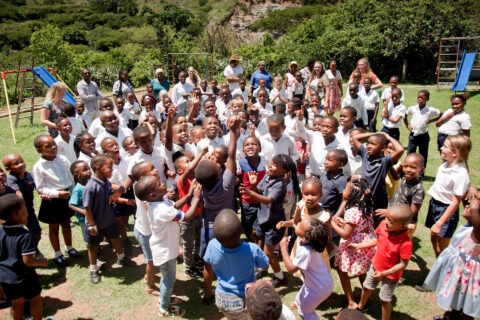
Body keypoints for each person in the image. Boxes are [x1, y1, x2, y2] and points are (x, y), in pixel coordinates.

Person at [135, 175, 202, 317]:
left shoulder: (160, 201)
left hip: (165, 247)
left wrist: (189, 194)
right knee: (168, 280)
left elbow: (175, 205)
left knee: (168, 278)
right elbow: (187, 216)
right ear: (152, 194)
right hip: (165, 252)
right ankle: (164, 308)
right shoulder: (161, 210)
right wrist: (195, 198)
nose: (163, 183)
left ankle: (163, 299)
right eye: (159, 184)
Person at [194, 115, 241, 304]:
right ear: (220, 171)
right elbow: (231, 156)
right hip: (228, 226)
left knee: (208, 264)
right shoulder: (228, 184)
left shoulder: (201, 187)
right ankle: (232, 290)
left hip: (209, 230)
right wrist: (232, 132)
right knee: (231, 260)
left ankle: (207, 293)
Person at [420, 192, 480, 320]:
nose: (469, 205)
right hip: (458, 268)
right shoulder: (471, 225)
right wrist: (473, 192)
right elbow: (465, 197)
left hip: (467, 273)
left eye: (474, 206)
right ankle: (452, 317)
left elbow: (476, 220)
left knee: (466, 303)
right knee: (455, 297)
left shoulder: (478, 231)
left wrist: (474, 208)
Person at [239, 154, 295, 287]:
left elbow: (269, 199)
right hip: (262, 218)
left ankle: (279, 276)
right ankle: (262, 268)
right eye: (271, 161)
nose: (270, 165)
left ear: (283, 172)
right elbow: (260, 191)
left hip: (273, 222)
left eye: (274, 164)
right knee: (259, 241)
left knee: (269, 251)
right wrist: (253, 186)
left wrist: (250, 193)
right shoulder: (267, 176)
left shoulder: (280, 184)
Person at [204, 209, 269, 320]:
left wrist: (208, 292)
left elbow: (207, 268)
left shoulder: (211, 245)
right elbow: (265, 265)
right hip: (243, 301)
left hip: (221, 299)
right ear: (241, 231)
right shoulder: (251, 249)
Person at [83, 155, 135, 284]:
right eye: (110, 167)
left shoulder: (106, 182)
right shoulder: (90, 187)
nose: (112, 170)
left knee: (116, 240)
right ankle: (93, 269)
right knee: (93, 247)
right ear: (98, 168)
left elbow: (111, 198)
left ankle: (121, 257)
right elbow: (87, 208)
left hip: (109, 220)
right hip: (96, 224)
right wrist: (91, 225)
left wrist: (124, 200)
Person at [357, 205, 413, 320]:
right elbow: (378, 240)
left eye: (390, 221)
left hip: (391, 276)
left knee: (384, 299)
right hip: (375, 267)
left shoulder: (406, 243)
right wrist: (359, 246)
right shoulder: (383, 226)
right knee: (366, 287)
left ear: (402, 226)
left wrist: (384, 274)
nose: (386, 222)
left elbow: (403, 264)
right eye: (386, 218)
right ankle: (361, 307)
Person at [32, 134, 78, 267]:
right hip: (52, 200)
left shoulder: (63, 159)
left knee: (66, 223)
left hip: (66, 196)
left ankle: (69, 247)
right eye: (48, 146)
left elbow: (70, 176)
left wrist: (72, 191)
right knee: (54, 228)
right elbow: (40, 188)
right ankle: (58, 253)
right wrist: (57, 194)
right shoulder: (39, 166)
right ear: (39, 150)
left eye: (54, 144)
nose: (53, 147)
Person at [0, 194, 48, 320]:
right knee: (35, 299)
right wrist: (41, 262)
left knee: (16, 303)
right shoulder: (24, 235)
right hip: (24, 276)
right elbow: (28, 260)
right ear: (18, 213)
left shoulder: (0, 230)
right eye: (25, 207)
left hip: (6, 277)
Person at [332, 179, 377, 309]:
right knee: (361, 272)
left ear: (351, 194)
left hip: (353, 247)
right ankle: (366, 297)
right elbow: (359, 225)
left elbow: (346, 234)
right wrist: (345, 223)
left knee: (341, 271)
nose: (343, 191)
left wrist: (332, 223)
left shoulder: (351, 211)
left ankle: (351, 302)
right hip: (364, 246)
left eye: (345, 189)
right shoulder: (365, 207)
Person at [426, 135, 471, 257]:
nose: (441, 148)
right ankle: (438, 265)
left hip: (446, 210)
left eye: (445, 147)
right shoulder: (446, 164)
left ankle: (443, 270)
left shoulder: (460, 173)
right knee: (433, 237)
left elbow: (455, 202)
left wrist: (440, 223)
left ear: (455, 153)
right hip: (435, 204)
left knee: (443, 247)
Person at [279, 219, 333, 320]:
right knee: (303, 292)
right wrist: (285, 223)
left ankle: (306, 310)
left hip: (319, 289)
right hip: (320, 282)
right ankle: (298, 302)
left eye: (300, 225)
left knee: (304, 311)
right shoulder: (310, 241)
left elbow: (291, 269)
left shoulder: (306, 252)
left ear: (305, 238)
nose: (298, 223)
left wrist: (283, 249)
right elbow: (295, 223)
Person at [277, 176, 331, 270]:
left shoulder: (323, 215)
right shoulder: (301, 205)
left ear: (320, 195)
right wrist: (285, 223)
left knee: (312, 272)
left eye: (313, 194)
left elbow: (328, 237)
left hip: (315, 251)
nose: (309, 198)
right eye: (306, 194)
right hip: (300, 243)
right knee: (302, 270)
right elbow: (297, 222)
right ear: (302, 194)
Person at [174, 147, 208, 278]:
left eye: (191, 160)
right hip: (186, 219)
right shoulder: (182, 180)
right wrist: (201, 153)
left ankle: (196, 260)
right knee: (188, 245)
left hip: (198, 216)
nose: (191, 163)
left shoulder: (196, 178)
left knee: (199, 240)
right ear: (180, 170)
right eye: (187, 161)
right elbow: (189, 169)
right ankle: (189, 267)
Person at [352, 132, 403, 213]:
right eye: (368, 143)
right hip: (362, 198)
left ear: (383, 148)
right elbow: (355, 138)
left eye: (373, 144)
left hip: (378, 201)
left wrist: (388, 137)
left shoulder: (384, 161)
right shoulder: (365, 155)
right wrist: (375, 133)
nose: (369, 146)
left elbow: (400, 149)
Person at [376, 153, 425, 239]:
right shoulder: (405, 178)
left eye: (413, 167)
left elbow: (412, 212)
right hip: (394, 218)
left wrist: (388, 213)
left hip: (405, 224)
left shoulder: (418, 189)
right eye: (406, 166)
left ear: (421, 170)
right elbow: (396, 176)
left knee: (399, 245)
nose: (408, 170)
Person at [3, 154, 43, 250]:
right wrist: (23, 214)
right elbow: (19, 195)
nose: (21, 164)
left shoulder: (29, 175)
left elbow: (38, 187)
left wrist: (43, 193)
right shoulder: (11, 179)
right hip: (16, 211)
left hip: (29, 207)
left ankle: (31, 250)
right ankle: (23, 252)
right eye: (16, 164)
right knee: (17, 232)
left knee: (36, 231)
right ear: (8, 168)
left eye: (21, 161)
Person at [238, 136, 267, 241]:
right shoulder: (240, 163)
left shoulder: (264, 161)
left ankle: (259, 245)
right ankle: (251, 241)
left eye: (254, 144)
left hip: (262, 200)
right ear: (243, 150)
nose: (250, 147)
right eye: (247, 145)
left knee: (259, 229)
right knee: (247, 227)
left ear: (260, 148)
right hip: (248, 202)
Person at [403, 90, 441, 169]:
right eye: (418, 97)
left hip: (424, 136)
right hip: (413, 135)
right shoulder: (413, 108)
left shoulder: (430, 110)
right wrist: (407, 125)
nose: (420, 99)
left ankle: (421, 173)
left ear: (427, 99)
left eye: (422, 98)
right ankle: (407, 170)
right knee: (410, 153)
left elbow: (442, 114)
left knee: (423, 155)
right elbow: (405, 115)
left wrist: (431, 120)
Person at [68, 160, 90, 238]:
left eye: (89, 169)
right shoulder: (78, 189)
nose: (89, 171)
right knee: (88, 235)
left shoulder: (92, 184)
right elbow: (71, 205)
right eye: (85, 170)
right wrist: (83, 212)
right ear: (76, 174)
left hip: (94, 215)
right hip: (84, 219)